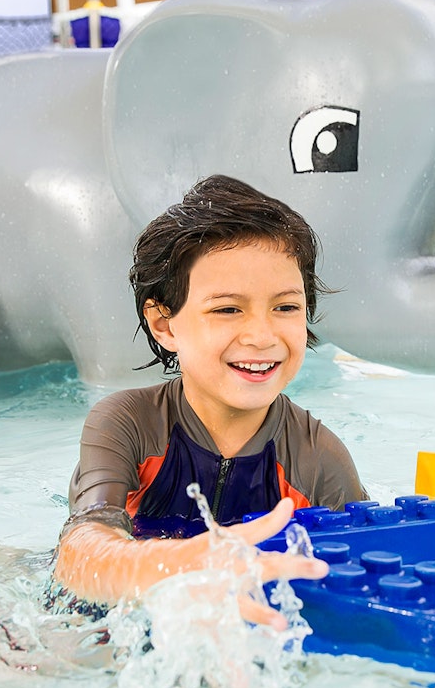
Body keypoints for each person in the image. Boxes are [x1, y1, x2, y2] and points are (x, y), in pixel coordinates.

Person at [53, 174, 367, 628]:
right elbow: (79, 553)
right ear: (165, 325)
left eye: (285, 307)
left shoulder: (318, 458)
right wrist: (182, 566)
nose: (262, 336)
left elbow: (352, 577)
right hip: (116, 616)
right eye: (227, 309)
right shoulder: (128, 424)